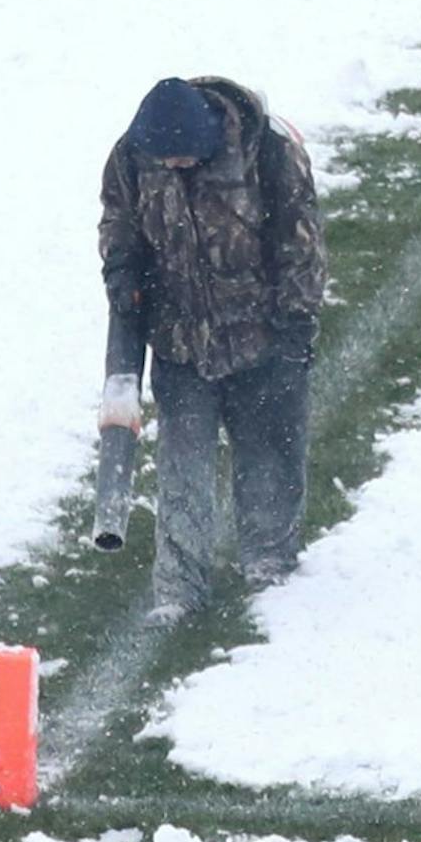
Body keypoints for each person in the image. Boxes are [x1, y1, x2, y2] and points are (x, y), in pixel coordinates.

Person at [98, 76, 326, 623]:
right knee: (183, 469)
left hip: (262, 340)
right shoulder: (133, 157)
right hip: (181, 344)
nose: (172, 167)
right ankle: (180, 588)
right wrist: (121, 273)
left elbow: (301, 247)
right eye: (165, 160)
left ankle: (268, 564)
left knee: (268, 453)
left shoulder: (269, 154)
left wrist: (295, 331)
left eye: (182, 159)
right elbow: (119, 226)